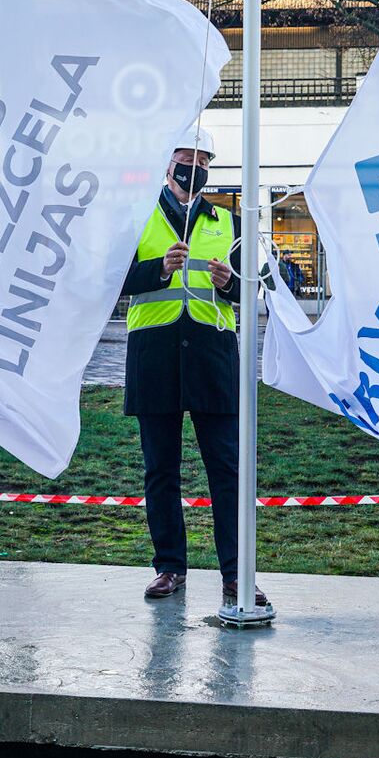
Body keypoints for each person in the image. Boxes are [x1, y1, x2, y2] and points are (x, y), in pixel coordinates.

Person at [121, 128, 264, 608]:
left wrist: (231, 283)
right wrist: (158, 269)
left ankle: (236, 574)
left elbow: (254, 287)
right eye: (187, 157)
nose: (195, 166)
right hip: (154, 355)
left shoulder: (229, 220)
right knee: (160, 471)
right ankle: (168, 568)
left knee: (226, 470)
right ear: (168, 163)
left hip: (213, 357)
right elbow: (112, 280)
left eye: (205, 160)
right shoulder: (137, 216)